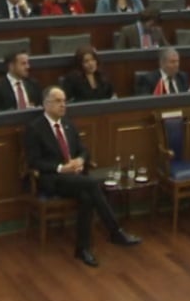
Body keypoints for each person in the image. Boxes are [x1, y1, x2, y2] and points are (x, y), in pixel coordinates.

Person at [24, 86, 142, 267]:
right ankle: (115, 231)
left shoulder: (68, 124)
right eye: (58, 101)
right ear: (46, 104)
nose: (63, 105)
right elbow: (34, 161)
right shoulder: (35, 128)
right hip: (52, 179)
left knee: (87, 197)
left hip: (75, 178)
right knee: (92, 184)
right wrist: (61, 168)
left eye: (64, 101)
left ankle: (83, 249)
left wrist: (80, 160)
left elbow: (83, 150)